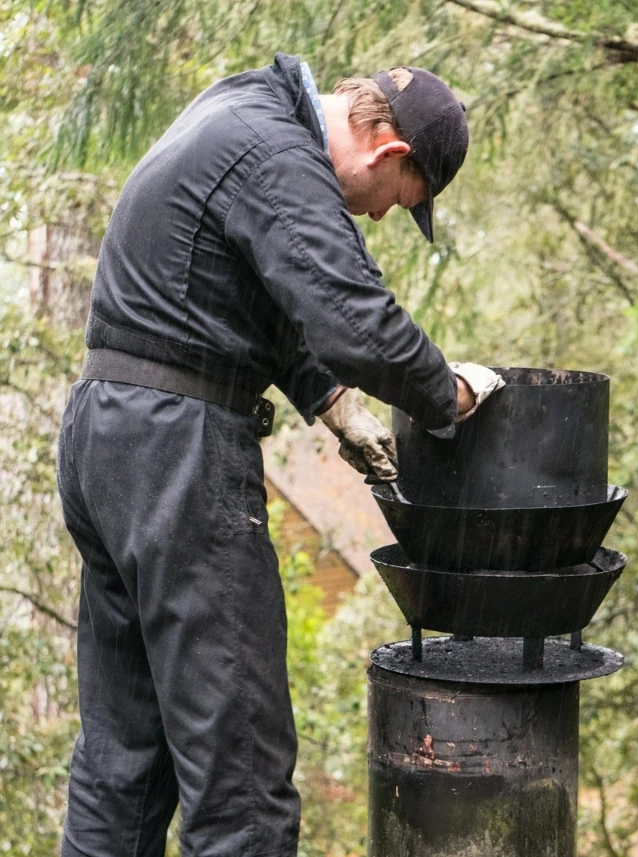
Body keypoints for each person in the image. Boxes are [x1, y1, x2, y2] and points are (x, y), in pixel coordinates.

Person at [56, 51, 503, 857]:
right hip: (177, 460)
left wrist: (331, 402)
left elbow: (248, 288)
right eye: (397, 204)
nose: (374, 220)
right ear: (389, 152)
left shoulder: (240, 113)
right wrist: (452, 393)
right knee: (243, 786)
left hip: (109, 435)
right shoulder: (279, 154)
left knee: (123, 765)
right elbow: (353, 317)